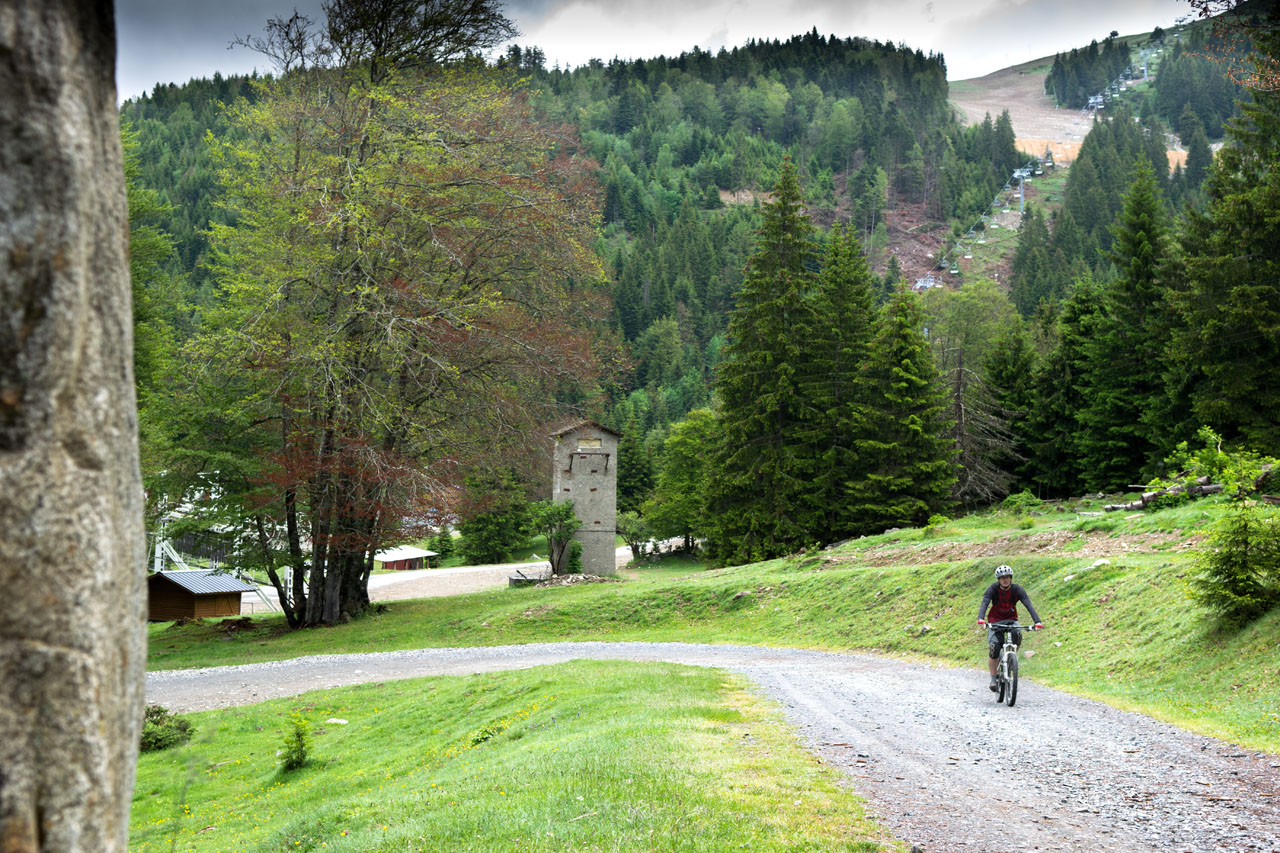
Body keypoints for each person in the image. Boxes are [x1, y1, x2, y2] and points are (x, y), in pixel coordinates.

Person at [977, 564, 1043, 691]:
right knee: (994, 648)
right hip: (995, 620)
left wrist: (1037, 621)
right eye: (1002, 578)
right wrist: (981, 619)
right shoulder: (993, 589)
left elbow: (1028, 604)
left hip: (1011, 620)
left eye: (1007, 577)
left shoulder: (1017, 590)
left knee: (1017, 634)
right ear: (998, 580)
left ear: (1011, 578)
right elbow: (985, 601)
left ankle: (1011, 657)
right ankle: (993, 679)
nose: (1005, 580)